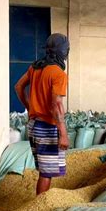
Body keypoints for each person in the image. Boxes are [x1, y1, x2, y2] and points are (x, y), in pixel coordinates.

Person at [15, 33, 70, 195]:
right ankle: (39, 208)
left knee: (44, 169)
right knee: (46, 174)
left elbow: (18, 87)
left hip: (33, 126)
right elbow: (56, 105)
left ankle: (39, 206)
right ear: (63, 52)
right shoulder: (58, 74)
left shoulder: (35, 67)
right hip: (47, 127)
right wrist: (64, 133)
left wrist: (31, 107)